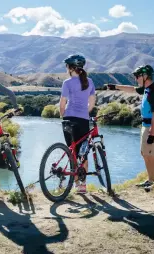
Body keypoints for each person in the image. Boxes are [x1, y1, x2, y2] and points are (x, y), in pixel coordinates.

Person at [105, 65, 154, 191]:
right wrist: (115, 87)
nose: (136, 79)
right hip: (146, 126)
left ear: (145, 76)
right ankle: (150, 180)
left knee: (152, 155)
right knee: (144, 154)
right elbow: (132, 89)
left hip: (153, 127)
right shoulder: (146, 89)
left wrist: (152, 134)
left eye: (137, 76)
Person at [59, 54, 96, 194]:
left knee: (72, 151)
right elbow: (92, 103)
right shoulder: (90, 81)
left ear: (70, 67)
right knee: (83, 153)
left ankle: (75, 183)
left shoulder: (67, 83)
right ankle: (83, 185)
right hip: (83, 121)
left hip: (69, 119)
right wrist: (84, 113)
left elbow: (62, 103)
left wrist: (62, 114)